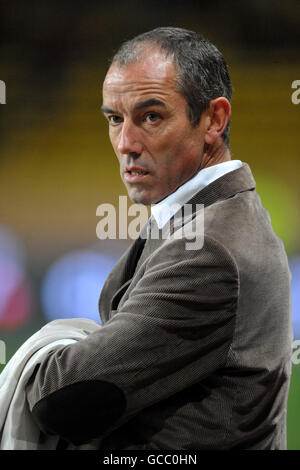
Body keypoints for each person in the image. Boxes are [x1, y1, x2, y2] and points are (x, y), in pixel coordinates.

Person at [26, 27, 292, 450]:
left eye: (151, 116)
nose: (126, 143)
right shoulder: (195, 219)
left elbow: (62, 397)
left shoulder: (210, 250)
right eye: (115, 119)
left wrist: (45, 354)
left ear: (214, 119)